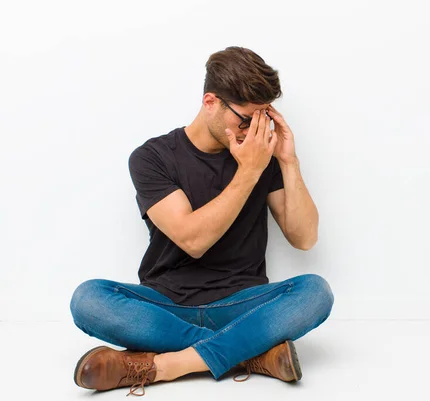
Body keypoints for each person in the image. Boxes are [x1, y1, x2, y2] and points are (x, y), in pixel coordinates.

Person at [69, 46, 334, 397]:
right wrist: (249, 172)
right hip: (166, 307)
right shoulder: (153, 157)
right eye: (245, 119)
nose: (253, 130)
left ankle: (163, 366)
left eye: (263, 118)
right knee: (87, 299)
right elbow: (193, 240)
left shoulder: (263, 157)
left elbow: (304, 238)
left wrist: (288, 160)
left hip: (241, 305)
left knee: (316, 292)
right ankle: (249, 355)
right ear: (210, 102)